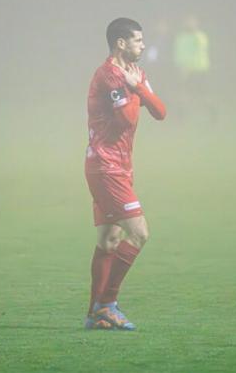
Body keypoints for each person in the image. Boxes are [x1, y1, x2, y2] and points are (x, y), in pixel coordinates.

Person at [84, 18, 167, 330]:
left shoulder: (136, 76)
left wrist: (139, 87)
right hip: (105, 167)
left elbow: (160, 112)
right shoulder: (109, 75)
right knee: (139, 233)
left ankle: (94, 314)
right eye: (137, 40)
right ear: (120, 43)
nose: (142, 46)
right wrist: (136, 91)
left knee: (109, 239)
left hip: (118, 166)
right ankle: (107, 304)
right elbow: (126, 120)